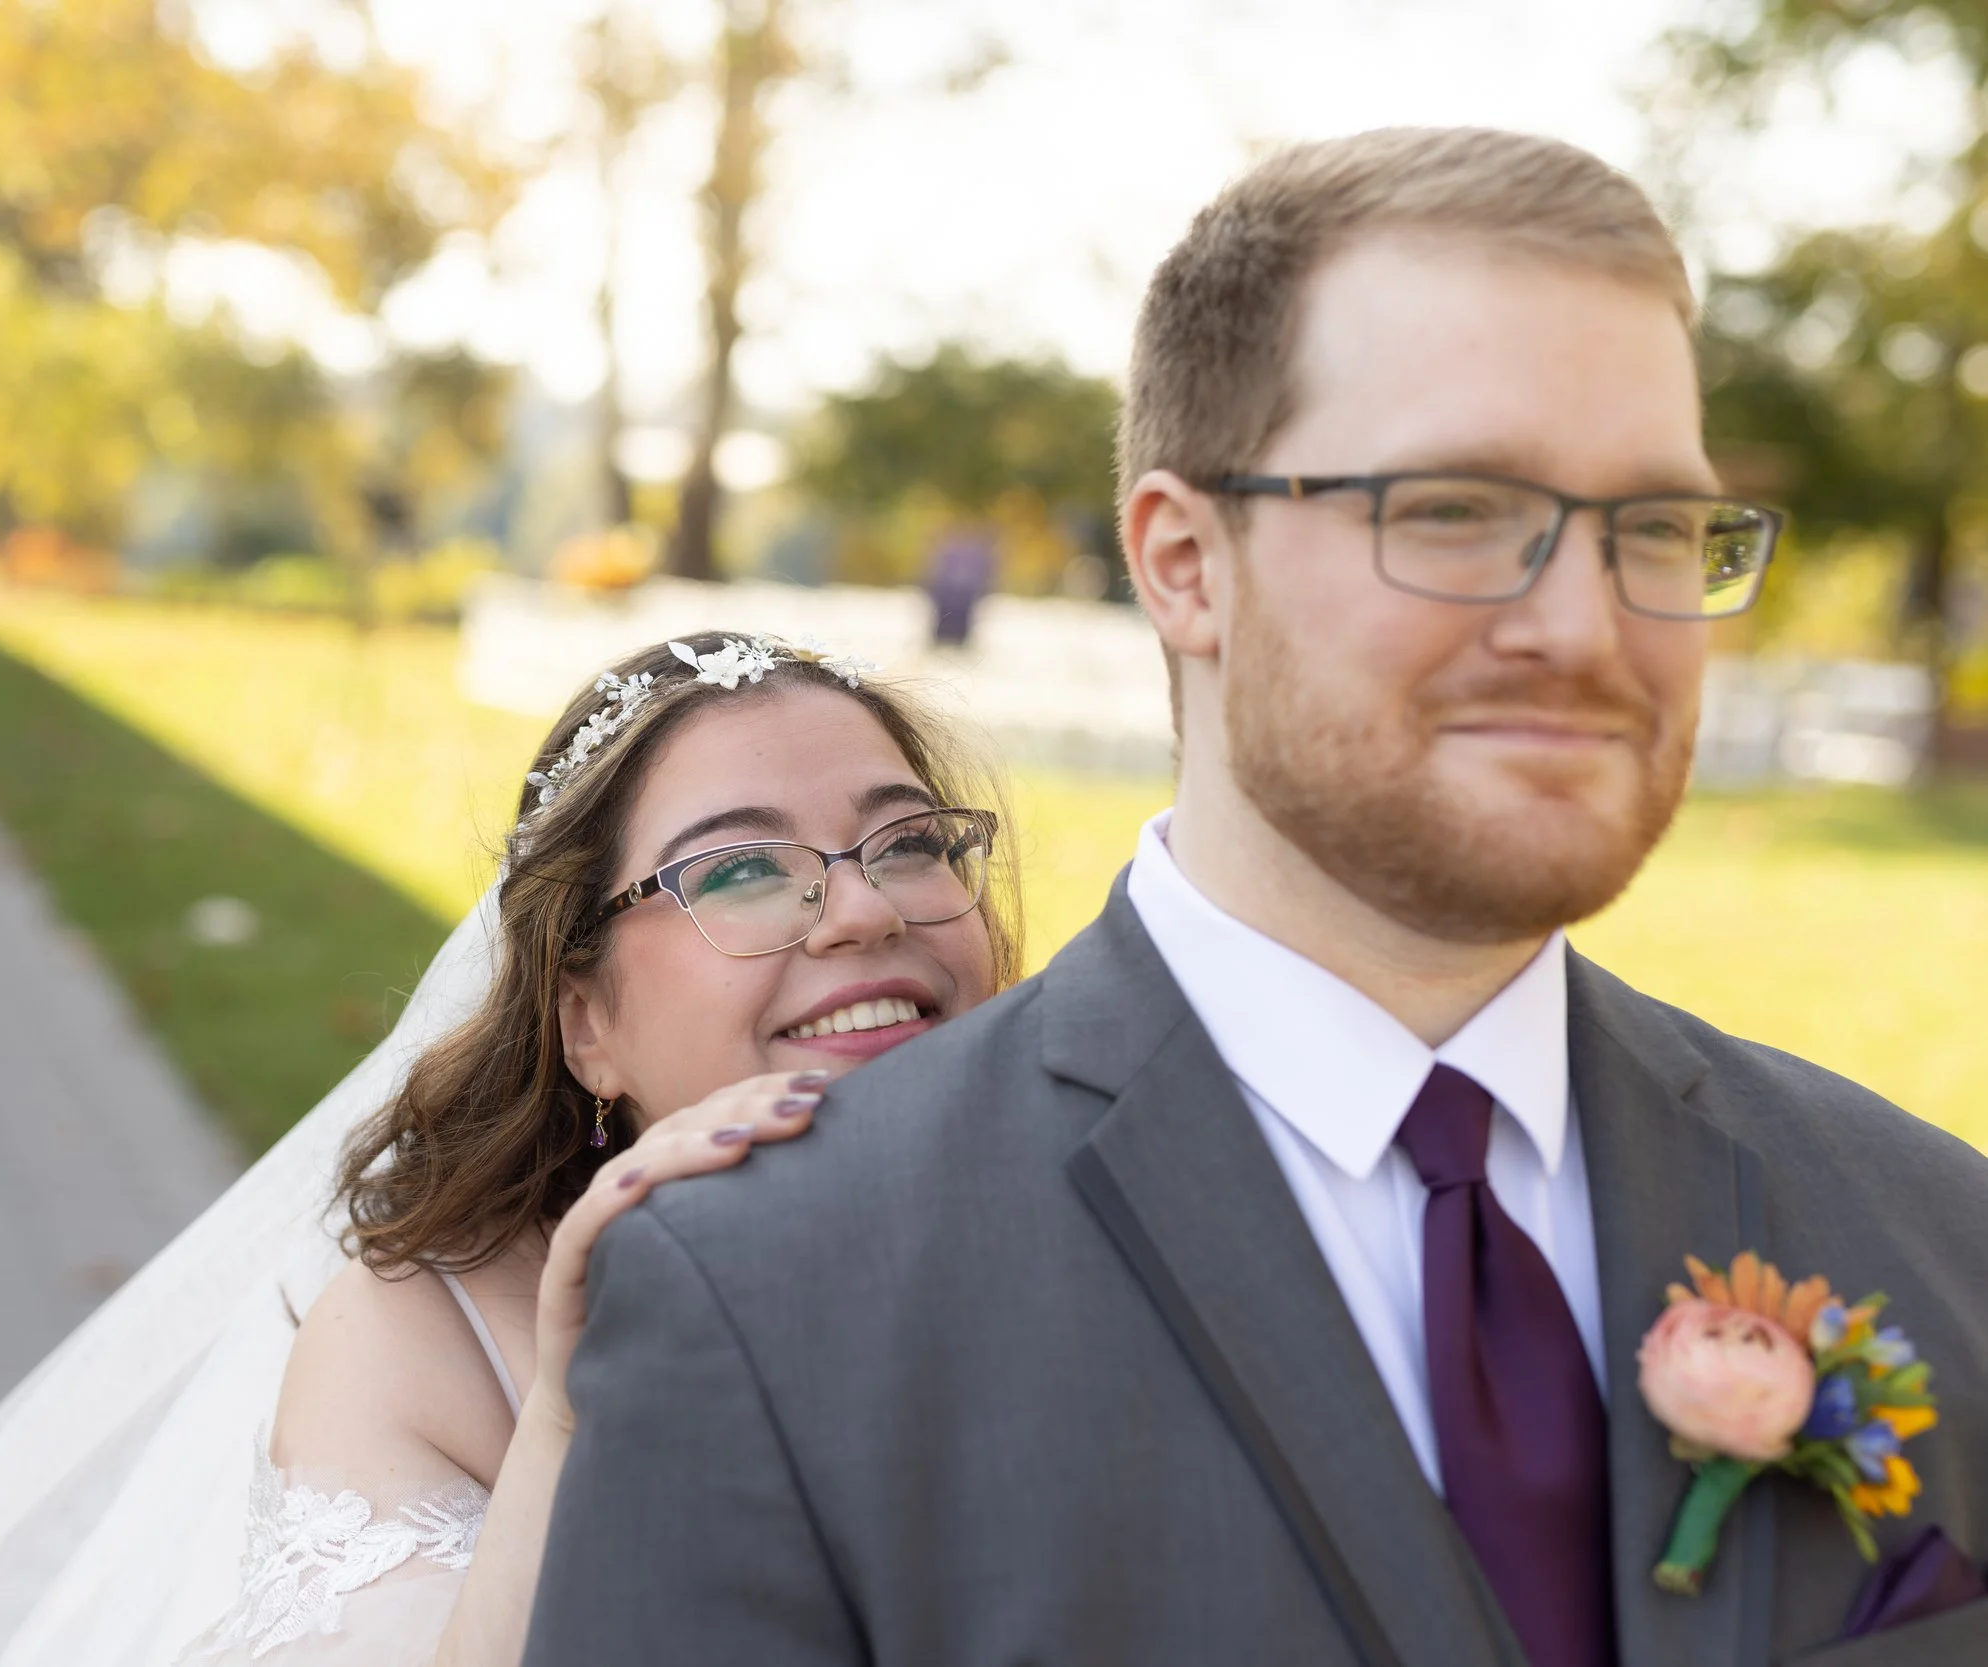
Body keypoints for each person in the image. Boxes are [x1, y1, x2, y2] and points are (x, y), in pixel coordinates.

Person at [523, 128, 1988, 1667]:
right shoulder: (769, 1304)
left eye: (1657, 528)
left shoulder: (1935, 1235)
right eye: (1454, 509)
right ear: (1184, 560)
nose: (1582, 622)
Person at [0, 632, 1017, 1667]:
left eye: (907, 841)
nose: (864, 907)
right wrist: (572, 1417)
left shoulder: (1090, 1218)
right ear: (584, 1020)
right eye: (743, 868)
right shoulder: (425, 1345)